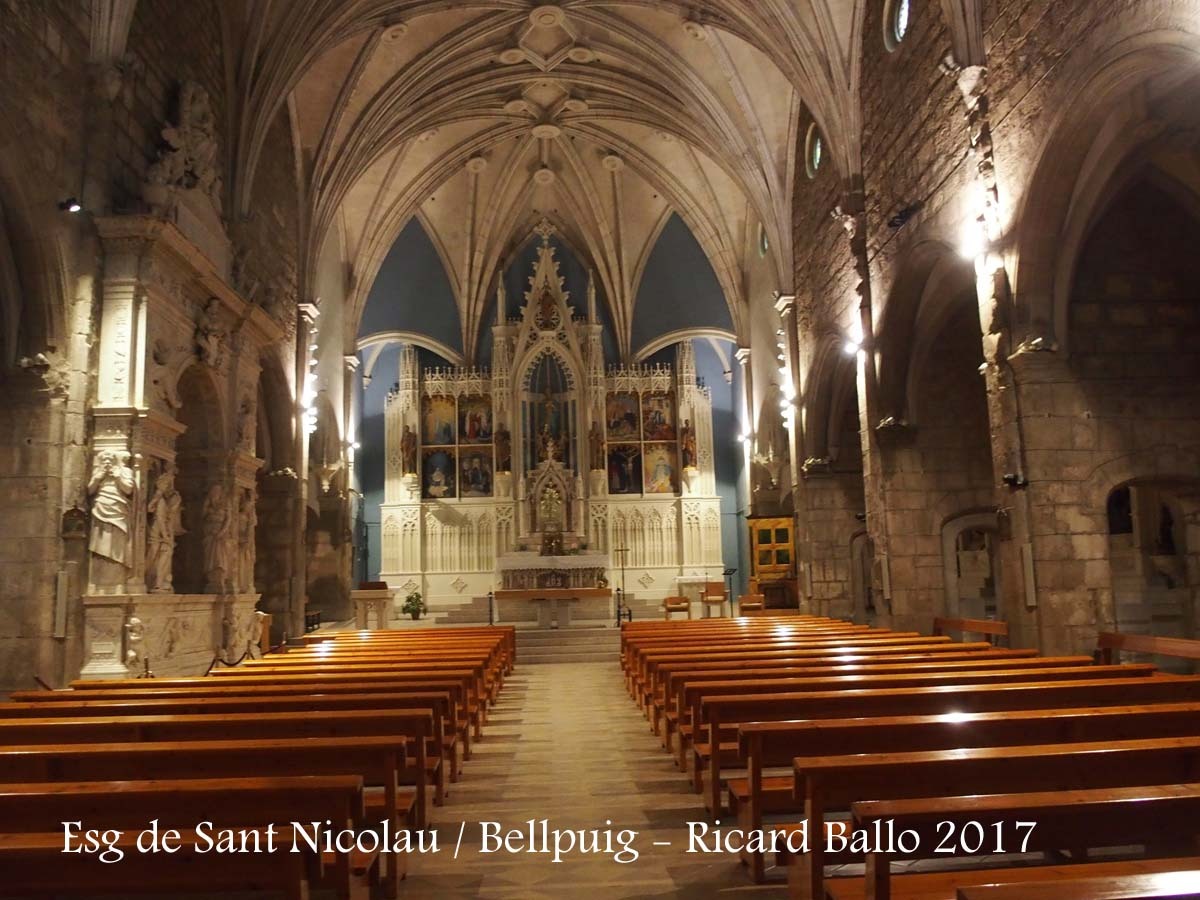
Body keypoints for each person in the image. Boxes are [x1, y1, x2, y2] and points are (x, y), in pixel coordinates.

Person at [146, 464, 184, 592]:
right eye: (169, 484)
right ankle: (153, 579)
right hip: (158, 530)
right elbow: (160, 518)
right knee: (156, 552)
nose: (171, 487)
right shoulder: (161, 501)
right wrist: (166, 536)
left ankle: (159, 581)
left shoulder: (170, 499)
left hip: (164, 529)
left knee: (165, 552)